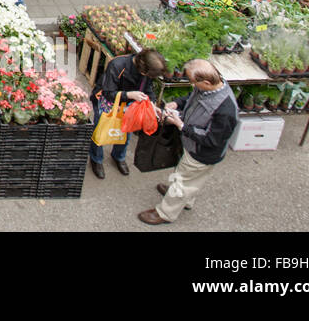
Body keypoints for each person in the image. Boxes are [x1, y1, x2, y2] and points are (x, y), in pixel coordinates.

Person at [138, 59, 238, 226]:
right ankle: (185, 199)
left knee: (185, 181)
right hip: (192, 146)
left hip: (202, 153)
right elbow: (192, 98)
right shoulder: (209, 88)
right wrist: (177, 103)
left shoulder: (226, 110)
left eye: (193, 81)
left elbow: (211, 139)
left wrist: (181, 125)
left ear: (206, 81)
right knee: (188, 176)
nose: (192, 85)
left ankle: (165, 213)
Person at [89, 49, 167, 180]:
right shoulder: (117, 65)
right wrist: (129, 95)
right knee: (100, 130)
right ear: (142, 67)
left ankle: (118, 156)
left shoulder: (146, 73)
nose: (147, 77)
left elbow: (148, 89)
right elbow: (108, 92)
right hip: (108, 101)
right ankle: (96, 159)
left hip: (129, 104)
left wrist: (153, 104)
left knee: (127, 131)